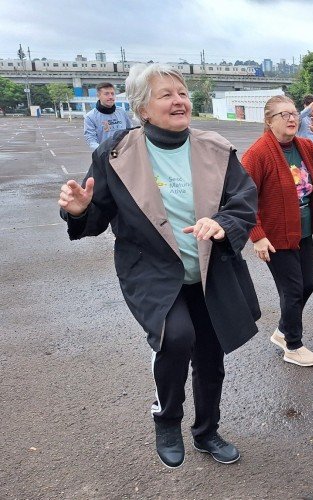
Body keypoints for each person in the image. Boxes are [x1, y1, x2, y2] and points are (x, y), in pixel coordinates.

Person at [59, 64, 260, 468]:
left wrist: (221, 223)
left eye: (182, 93)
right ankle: (167, 418)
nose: (179, 100)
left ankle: (207, 432)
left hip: (208, 267)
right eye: (166, 94)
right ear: (142, 109)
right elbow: (95, 217)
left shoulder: (216, 149)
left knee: (210, 354)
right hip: (149, 269)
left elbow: (243, 200)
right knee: (176, 336)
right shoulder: (115, 154)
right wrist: (79, 211)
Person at [242, 95, 313, 367]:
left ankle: (282, 330)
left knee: (307, 284)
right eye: (283, 115)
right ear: (268, 121)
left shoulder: (302, 145)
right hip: (275, 236)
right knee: (293, 290)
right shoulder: (258, 153)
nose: (291, 118)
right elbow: (240, 197)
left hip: (302, 231)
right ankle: (294, 346)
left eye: (292, 114)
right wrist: (257, 235)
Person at [83, 82, 133, 151]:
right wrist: (105, 151)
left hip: (123, 152)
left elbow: (130, 131)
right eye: (106, 94)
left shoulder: (121, 112)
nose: (110, 97)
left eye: (112, 94)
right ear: (98, 96)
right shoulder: (90, 117)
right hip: (104, 154)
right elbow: (91, 140)